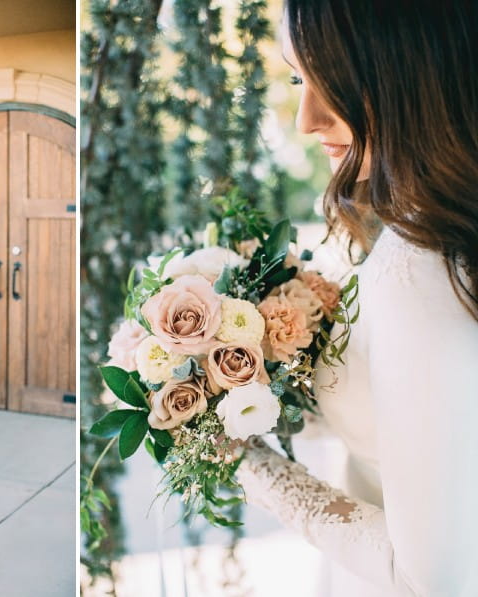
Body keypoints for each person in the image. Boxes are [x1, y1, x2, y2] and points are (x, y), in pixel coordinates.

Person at [236, 2, 478, 596]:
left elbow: (431, 580)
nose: (306, 118)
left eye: (333, 80)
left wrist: (247, 460)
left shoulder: (420, 267)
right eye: (299, 79)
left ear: (412, 71)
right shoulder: (426, 233)